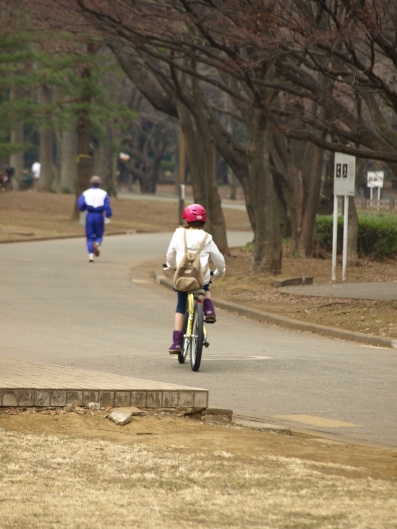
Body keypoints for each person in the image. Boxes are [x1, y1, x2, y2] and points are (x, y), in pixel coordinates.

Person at [166, 204, 226, 353]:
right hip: (200, 279)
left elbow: (170, 255)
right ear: (204, 222)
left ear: (186, 221)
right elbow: (219, 258)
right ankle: (209, 310)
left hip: (182, 279)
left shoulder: (179, 234)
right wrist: (219, 272)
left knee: (181, 306)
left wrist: (173, 266)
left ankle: (177, 343)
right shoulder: (207, 238)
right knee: (206, 282)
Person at [77, 175, 112, 262]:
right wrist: (107, 216)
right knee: (99, 235)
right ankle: (97, 243)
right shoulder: (104, 193)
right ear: (99, 184)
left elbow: (81, 206)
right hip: (99, 215)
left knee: (89, 236)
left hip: (90, 215)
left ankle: (91, 255)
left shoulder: (86, 193)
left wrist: (85, 207)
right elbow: (107, 207)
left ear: (90, 184)